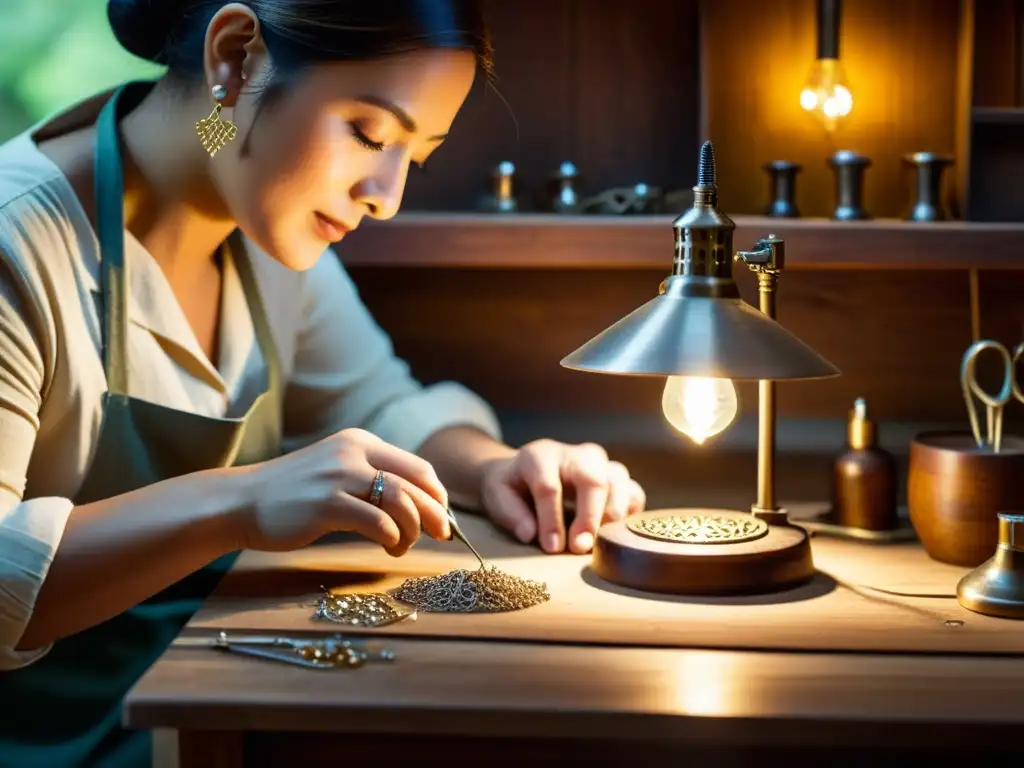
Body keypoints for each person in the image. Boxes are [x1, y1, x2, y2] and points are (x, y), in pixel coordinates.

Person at [0, 0, 648, 764]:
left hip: (204, 717)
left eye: (416, 155)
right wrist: (239, 500)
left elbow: (377, 404)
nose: (386, 194)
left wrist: (495, 466)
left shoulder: (266, 228)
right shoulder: (21, 240)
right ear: (236, 58)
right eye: (368, 133)